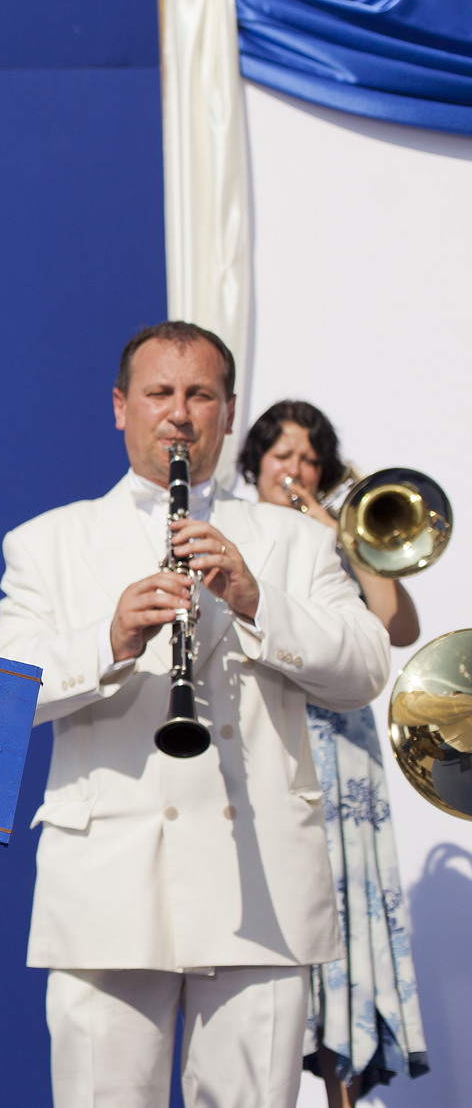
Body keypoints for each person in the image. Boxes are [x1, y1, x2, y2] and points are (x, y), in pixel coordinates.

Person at [0, 322, 392, 1108]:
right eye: (159, 393)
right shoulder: (48, 541)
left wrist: (257, 601)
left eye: (200, 394)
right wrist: (107, 638)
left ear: (228, 412)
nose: (179, 413)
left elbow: (366, 666)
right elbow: (1, 690)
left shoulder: (294, 542)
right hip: (108, 888)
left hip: (259, 888)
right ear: (120, 406)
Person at [236, 399, 429, 1099]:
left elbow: (399, 626)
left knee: (344, 919)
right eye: (282, 455)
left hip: (340, 748)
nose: (296, 470)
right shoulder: (234, 531)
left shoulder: (335, 538)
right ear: (255, 463)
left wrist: (345, 539)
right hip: (268, 741)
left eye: (310, 459)